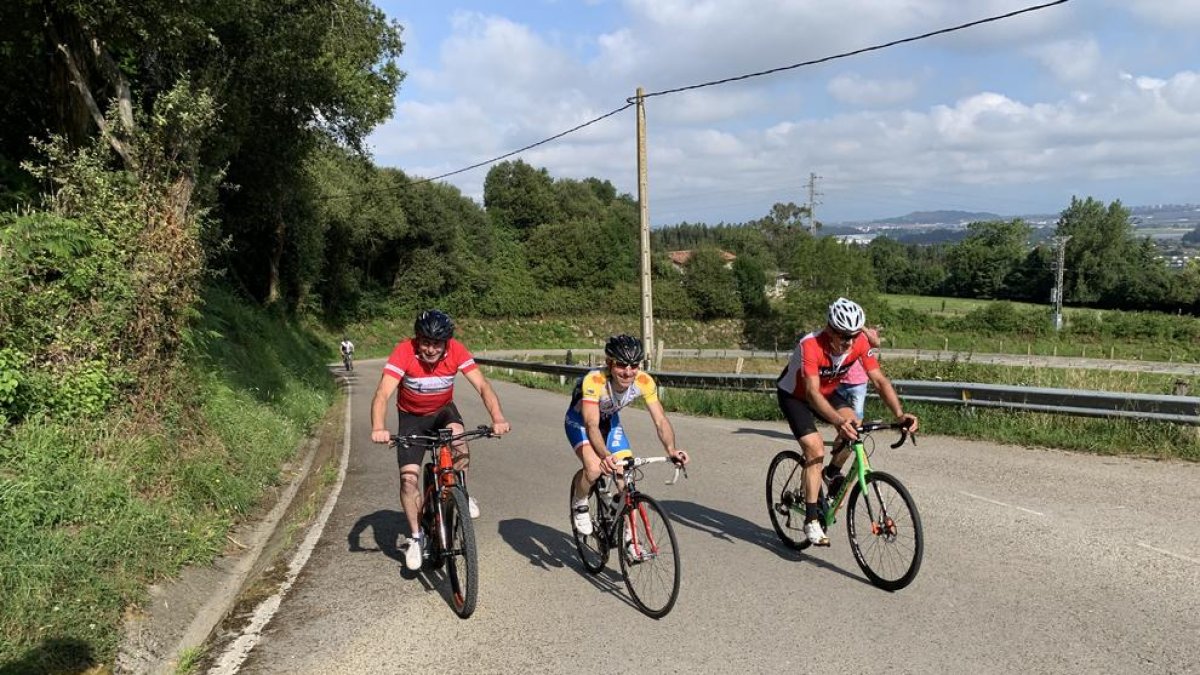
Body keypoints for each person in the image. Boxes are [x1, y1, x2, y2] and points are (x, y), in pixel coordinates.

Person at [370, 309, 511, 571]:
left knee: (458, 439)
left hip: (443, 411)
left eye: (437, 344)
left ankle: (462, 493)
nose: (431, 349)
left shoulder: (456, 350)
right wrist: (379, 427)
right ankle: (416, 537)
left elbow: (482, 386)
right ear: (417, 339)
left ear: (446, 343)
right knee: (408, 480)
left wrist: (498, 417)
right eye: (426, 342)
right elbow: (382, 393)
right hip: (412, 417)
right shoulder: (404, 352)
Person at [776, 298, 918, 546]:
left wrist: (899, 414)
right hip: (796, 396)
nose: (849, 342)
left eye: (853, 335)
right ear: (830, 329)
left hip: (828, 392)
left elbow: (879, 381)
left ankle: (831, 473)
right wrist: (838, 421)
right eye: (844, 336)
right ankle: (811, 520)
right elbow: (811, 393)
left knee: (855, 425)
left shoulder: (859, 342)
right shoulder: (810, 345)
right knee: (815, 449)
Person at [565, 334, 689, 552]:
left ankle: (631, 537)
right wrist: (605, 456)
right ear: (609, 363)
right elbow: (592, 424)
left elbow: (660, 420)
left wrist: (671, 449)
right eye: (621, 365)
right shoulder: (595, 380)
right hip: (581, 423)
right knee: (594, 469)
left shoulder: (644, 381)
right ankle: (579, 502)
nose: (628, 372)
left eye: (634, 366)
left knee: (627, 478)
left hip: (610, 422)